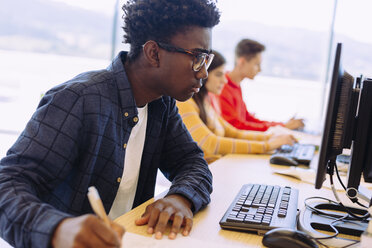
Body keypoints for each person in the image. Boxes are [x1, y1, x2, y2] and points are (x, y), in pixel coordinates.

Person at [0, 0, 221, 247]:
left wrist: (181, 197)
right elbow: (6, 184)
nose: (203, 72)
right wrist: (57, 229)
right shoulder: (78, 99)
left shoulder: (162, 105)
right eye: (197, 57)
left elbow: (192, 162)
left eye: (206, 59)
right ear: (153, 53)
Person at [177, 51, 296, 163]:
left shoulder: (204, 102)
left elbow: (234, 133)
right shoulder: (186, 103)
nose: (224, 80)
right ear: (203, 74)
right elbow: (211, 143)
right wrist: (267, 145)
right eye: (218, 75)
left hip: (218, 166)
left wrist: (269, 137)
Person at [219, 38, 305, 132]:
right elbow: (237, 126)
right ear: (242, 62)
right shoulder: (222, 86)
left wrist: (282, 125)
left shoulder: (236, 85)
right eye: (257, 64)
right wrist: (282, 127)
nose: (259, 70)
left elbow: (248, 118)